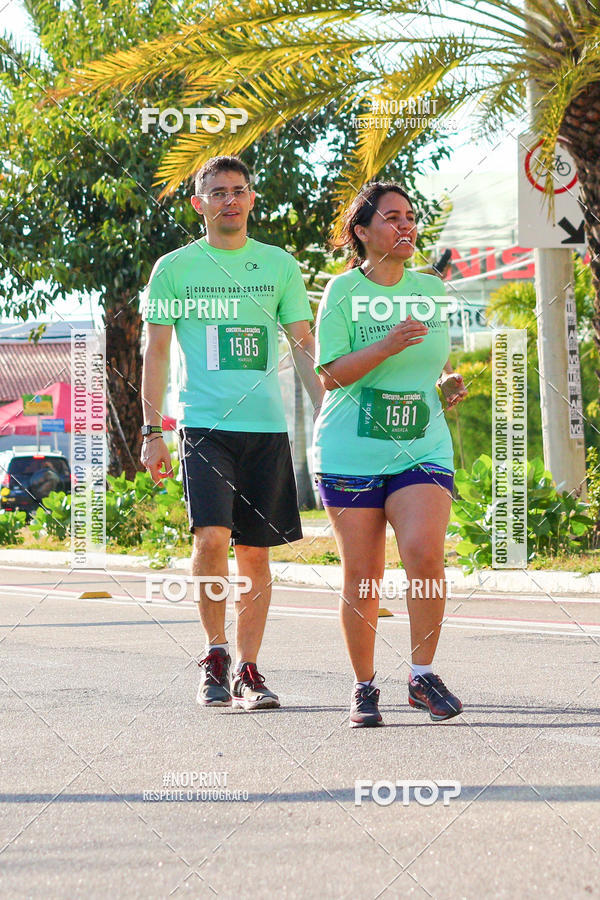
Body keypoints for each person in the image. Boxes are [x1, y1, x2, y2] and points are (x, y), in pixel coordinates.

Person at [140, 155, 323, 711]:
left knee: (257, 555)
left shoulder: (278, 266)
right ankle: (214, 654)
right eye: (217, 192)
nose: (230, 200)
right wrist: (152, 431)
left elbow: (304, 345)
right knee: (212, 538)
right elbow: (157, 350)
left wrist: (327, 414)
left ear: (250, 199)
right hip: (204, 426)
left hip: (267, 430)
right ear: (200, 204)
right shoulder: (174, 268)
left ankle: (248, 669)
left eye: (239, 190)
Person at [312, 181, 468, 728]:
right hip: (350, 448)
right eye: (392, 218)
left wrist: (446, 382)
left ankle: (422, 675)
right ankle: (363, 686)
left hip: (421, 444)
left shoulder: (431, 288)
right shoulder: (342, 291)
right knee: (364, 575)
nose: (406, 227)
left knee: (425, 555)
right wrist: (385, 344)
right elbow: (329, 374)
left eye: (410, 217)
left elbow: (430, 364)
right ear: (363, 232)